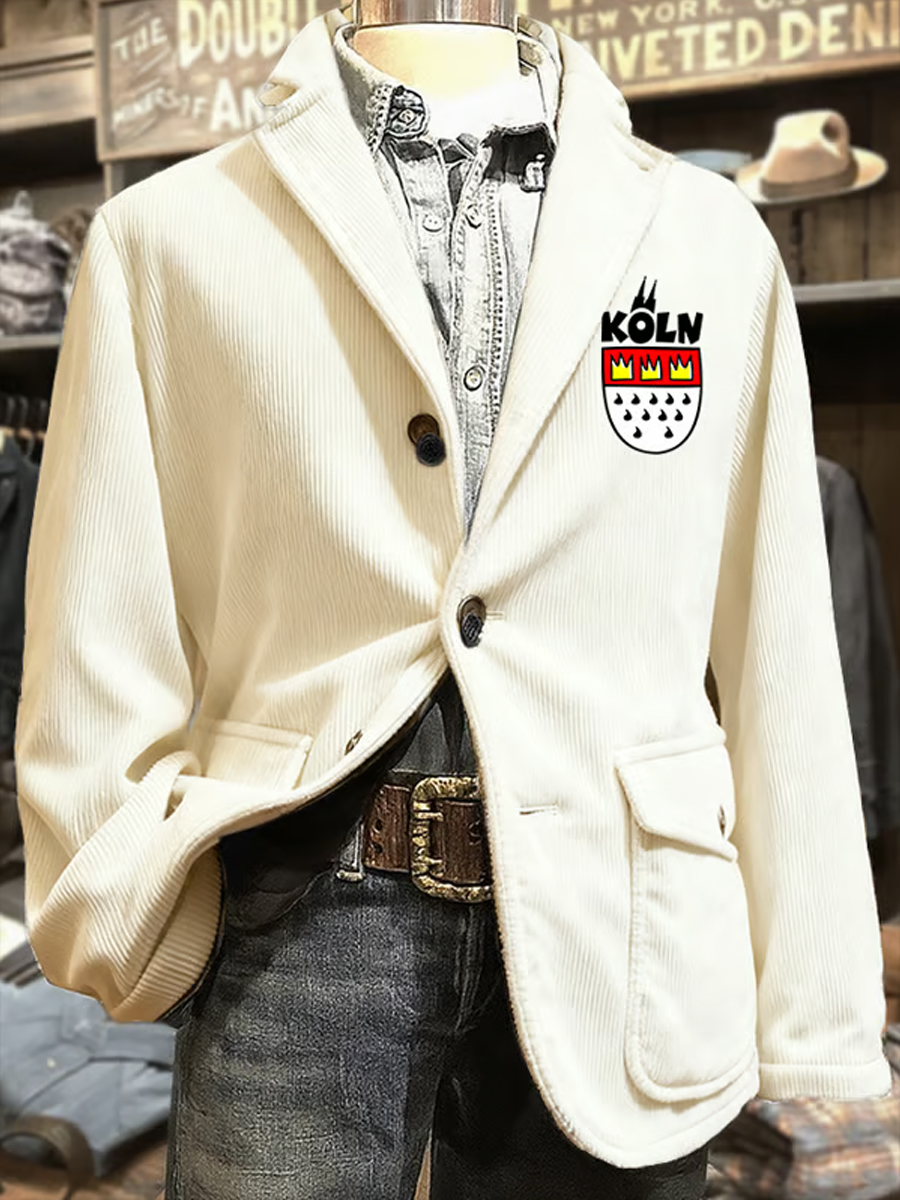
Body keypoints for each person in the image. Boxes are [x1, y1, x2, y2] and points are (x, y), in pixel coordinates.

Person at [14, 2, 892, 1197]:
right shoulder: (167, 236)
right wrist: (124, 909)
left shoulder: (706, 240)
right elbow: (96, 624)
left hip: (625, 916)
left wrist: (814, 998)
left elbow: (780, 636)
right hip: (298, 902)